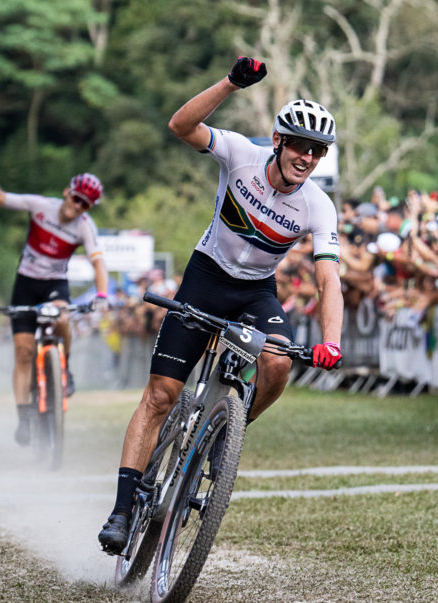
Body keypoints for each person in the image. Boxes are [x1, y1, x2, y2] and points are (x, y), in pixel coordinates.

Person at [97, 56, 345, 554]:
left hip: (255, 291)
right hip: (206, 276)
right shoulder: (240, 154)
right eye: (299, 144)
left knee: (277, 361)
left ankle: (221, 436)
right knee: (161, 396)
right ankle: (122, 510)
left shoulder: (318, 204)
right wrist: (231, 84)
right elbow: (180, 125)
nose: (306, 157)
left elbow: (327, 278)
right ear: (278, 140)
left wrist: (332, 342)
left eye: (317, 151)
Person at [0, 146, 109, 445]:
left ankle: (65, 369)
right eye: (76, 198)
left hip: (55, 285)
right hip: (26, 284)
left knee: (63, 317)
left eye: (86, 205)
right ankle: (23, 418)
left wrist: (102, 294)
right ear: (66, 192)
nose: (78, 206)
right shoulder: (39, 205)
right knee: (23, 352)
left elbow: (99, 262)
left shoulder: (85, 227)